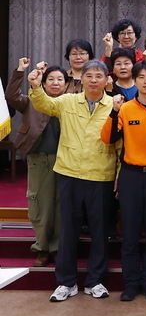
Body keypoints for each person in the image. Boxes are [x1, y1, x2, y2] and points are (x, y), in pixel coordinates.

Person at [29, 60, 120, 302]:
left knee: (99, 231)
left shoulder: (115, 104)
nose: (93, 80)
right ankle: (66, 282)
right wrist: (36, 87)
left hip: (101, 174)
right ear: (81, 79)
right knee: (68, 230)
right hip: (70, 173)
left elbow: (121, 143)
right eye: (89, 76)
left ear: (106, 80)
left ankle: (95, 281)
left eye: (98, 76)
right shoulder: (67, 101)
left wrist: (119, 175)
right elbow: (44, 104)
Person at [101, 60, 146, 301]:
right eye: (141, 77)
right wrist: (114, 111)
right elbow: (108, 138)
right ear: (135, 80)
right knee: (129, 234)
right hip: (131, 175)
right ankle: (131, 283)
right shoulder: (125, 108)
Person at [7, 59, 66, 267]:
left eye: (60, 79)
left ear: (66, 83)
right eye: (51, 79)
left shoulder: (71, 102)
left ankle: (57, 248)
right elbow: (11, 96)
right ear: (43, 82)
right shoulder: (32, 100)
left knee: (60, 205)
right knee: (40, 205)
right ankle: (42, 247)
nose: (55, 83)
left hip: (66, 161)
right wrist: (20, 71)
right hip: (39, 158)